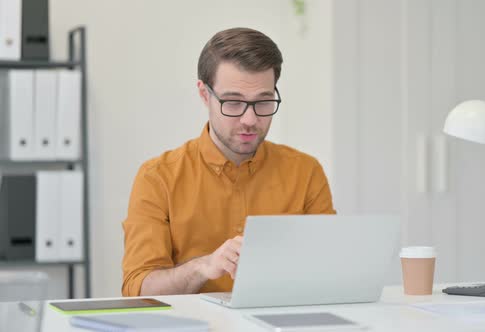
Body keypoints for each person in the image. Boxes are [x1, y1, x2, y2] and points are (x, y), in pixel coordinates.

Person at [121, 27, 336, 296]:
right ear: (204, 94)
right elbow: (138, 289)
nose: (249, 119)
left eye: (263, 101)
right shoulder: (158, 177)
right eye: (233, 102)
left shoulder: (305, 172)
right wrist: (203, 266)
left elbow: (331, 271)